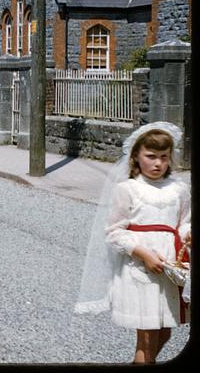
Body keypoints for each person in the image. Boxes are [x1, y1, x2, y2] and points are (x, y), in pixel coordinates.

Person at [75, 122, 191, 364]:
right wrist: (142, 253)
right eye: (151, 156)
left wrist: (188, 234)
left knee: (164, 331)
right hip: (140, 270)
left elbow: (183, 223)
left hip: (169, 269)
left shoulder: (179, 189)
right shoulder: (127, 189)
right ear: (137, 156)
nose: (158, 163)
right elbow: (114, 232)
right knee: (146, 338)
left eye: (164, 157)